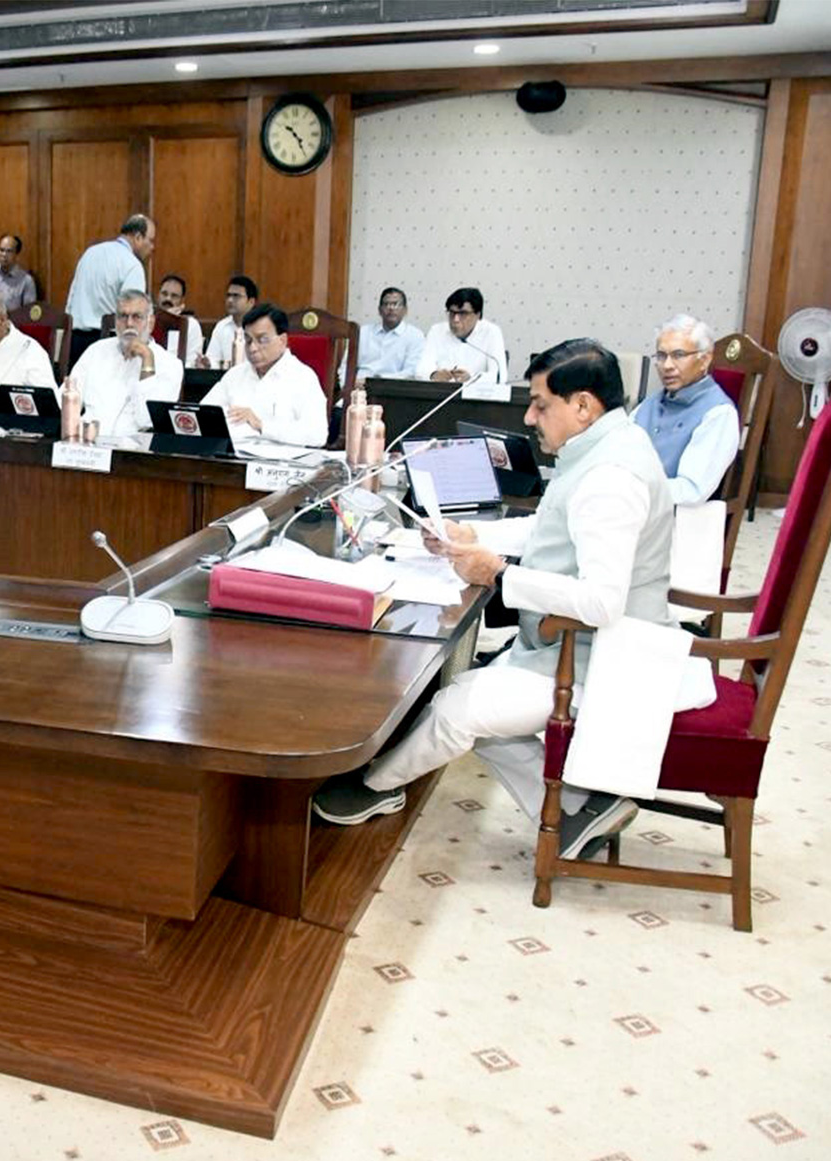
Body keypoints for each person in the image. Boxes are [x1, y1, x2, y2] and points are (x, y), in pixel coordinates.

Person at [313, 339, 715, 859]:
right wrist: (473, 540)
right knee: (477, 696)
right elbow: (552, 529)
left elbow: (601, 602)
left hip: (605, 664)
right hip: (573, 646)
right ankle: (578, 808)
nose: (529, 416)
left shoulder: (611, 480)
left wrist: (499, 575)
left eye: (541, 404)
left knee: (462, 706)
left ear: (584, 405)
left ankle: (374, 787)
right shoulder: (608, 446)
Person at [632, 314, 738, 504]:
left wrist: (628, 490)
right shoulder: (650, 403)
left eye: (678, 355)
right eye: (662, 356)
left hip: (672, 520)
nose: (667, 365)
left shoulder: (718, 413)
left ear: (704, 359)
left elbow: (691, 490)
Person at [200, 303, 327, 449]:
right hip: (233, 458)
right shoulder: (235, 375)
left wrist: (261, 425)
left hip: (280, 465)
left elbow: (318, 434)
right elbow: (205, 413)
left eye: (262, 340)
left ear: (282, 340)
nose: (253, 348)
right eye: (248, 340)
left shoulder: (303, 378)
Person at [67, 289, 182, 438]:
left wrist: (147, 358)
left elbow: (146, 420)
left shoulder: (170, 365)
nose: (129, 323)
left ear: (151, 322)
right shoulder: (96, 351)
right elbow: (65, 399)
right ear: (115, 321)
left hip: (132, 454)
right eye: (123, 316)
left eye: (137, 317)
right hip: (87, 446)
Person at [65, 213, 155, 363]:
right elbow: (132, 312)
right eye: (150, 241)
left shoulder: (90, 253)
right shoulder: (132, 265)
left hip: (74, 341)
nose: (152, 247)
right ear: (138, 237)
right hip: (109, 345)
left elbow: (70, 302)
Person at [417, 287, 507, 384]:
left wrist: (471, 379)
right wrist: (433, 375)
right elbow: (420, 370)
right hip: (441, 393)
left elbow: (499, 376)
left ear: (478, 315)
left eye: (463, 313)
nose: (455, 319)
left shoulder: (491, 332)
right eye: (452, 313)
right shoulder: (437, 331)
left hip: (475, 395)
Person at [356, 286, 425, 380]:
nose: (391, 308)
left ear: (405, 310)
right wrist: (348, 385)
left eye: (396, 304)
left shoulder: (415, 336)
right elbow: (346, 366)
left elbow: (411, 372)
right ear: (379, 310)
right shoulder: (363, 333)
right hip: (358, 387)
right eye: (386, 304)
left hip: (394, 389)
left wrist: (379, 381)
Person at [202, 275, 258, 368]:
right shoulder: (222, 326)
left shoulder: (260, 327)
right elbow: (213, 360)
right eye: (228, 295)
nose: (230, 300)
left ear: (251, 302)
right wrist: (208, 364)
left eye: (236, 296)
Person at [156, 274, 204, 365]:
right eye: (164, 294)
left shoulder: (191, 325)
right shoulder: (148, 320)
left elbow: (191, 363)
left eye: (174, 296)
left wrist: (170, 319)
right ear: (158, 295)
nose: (168, 299)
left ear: (182, 300)